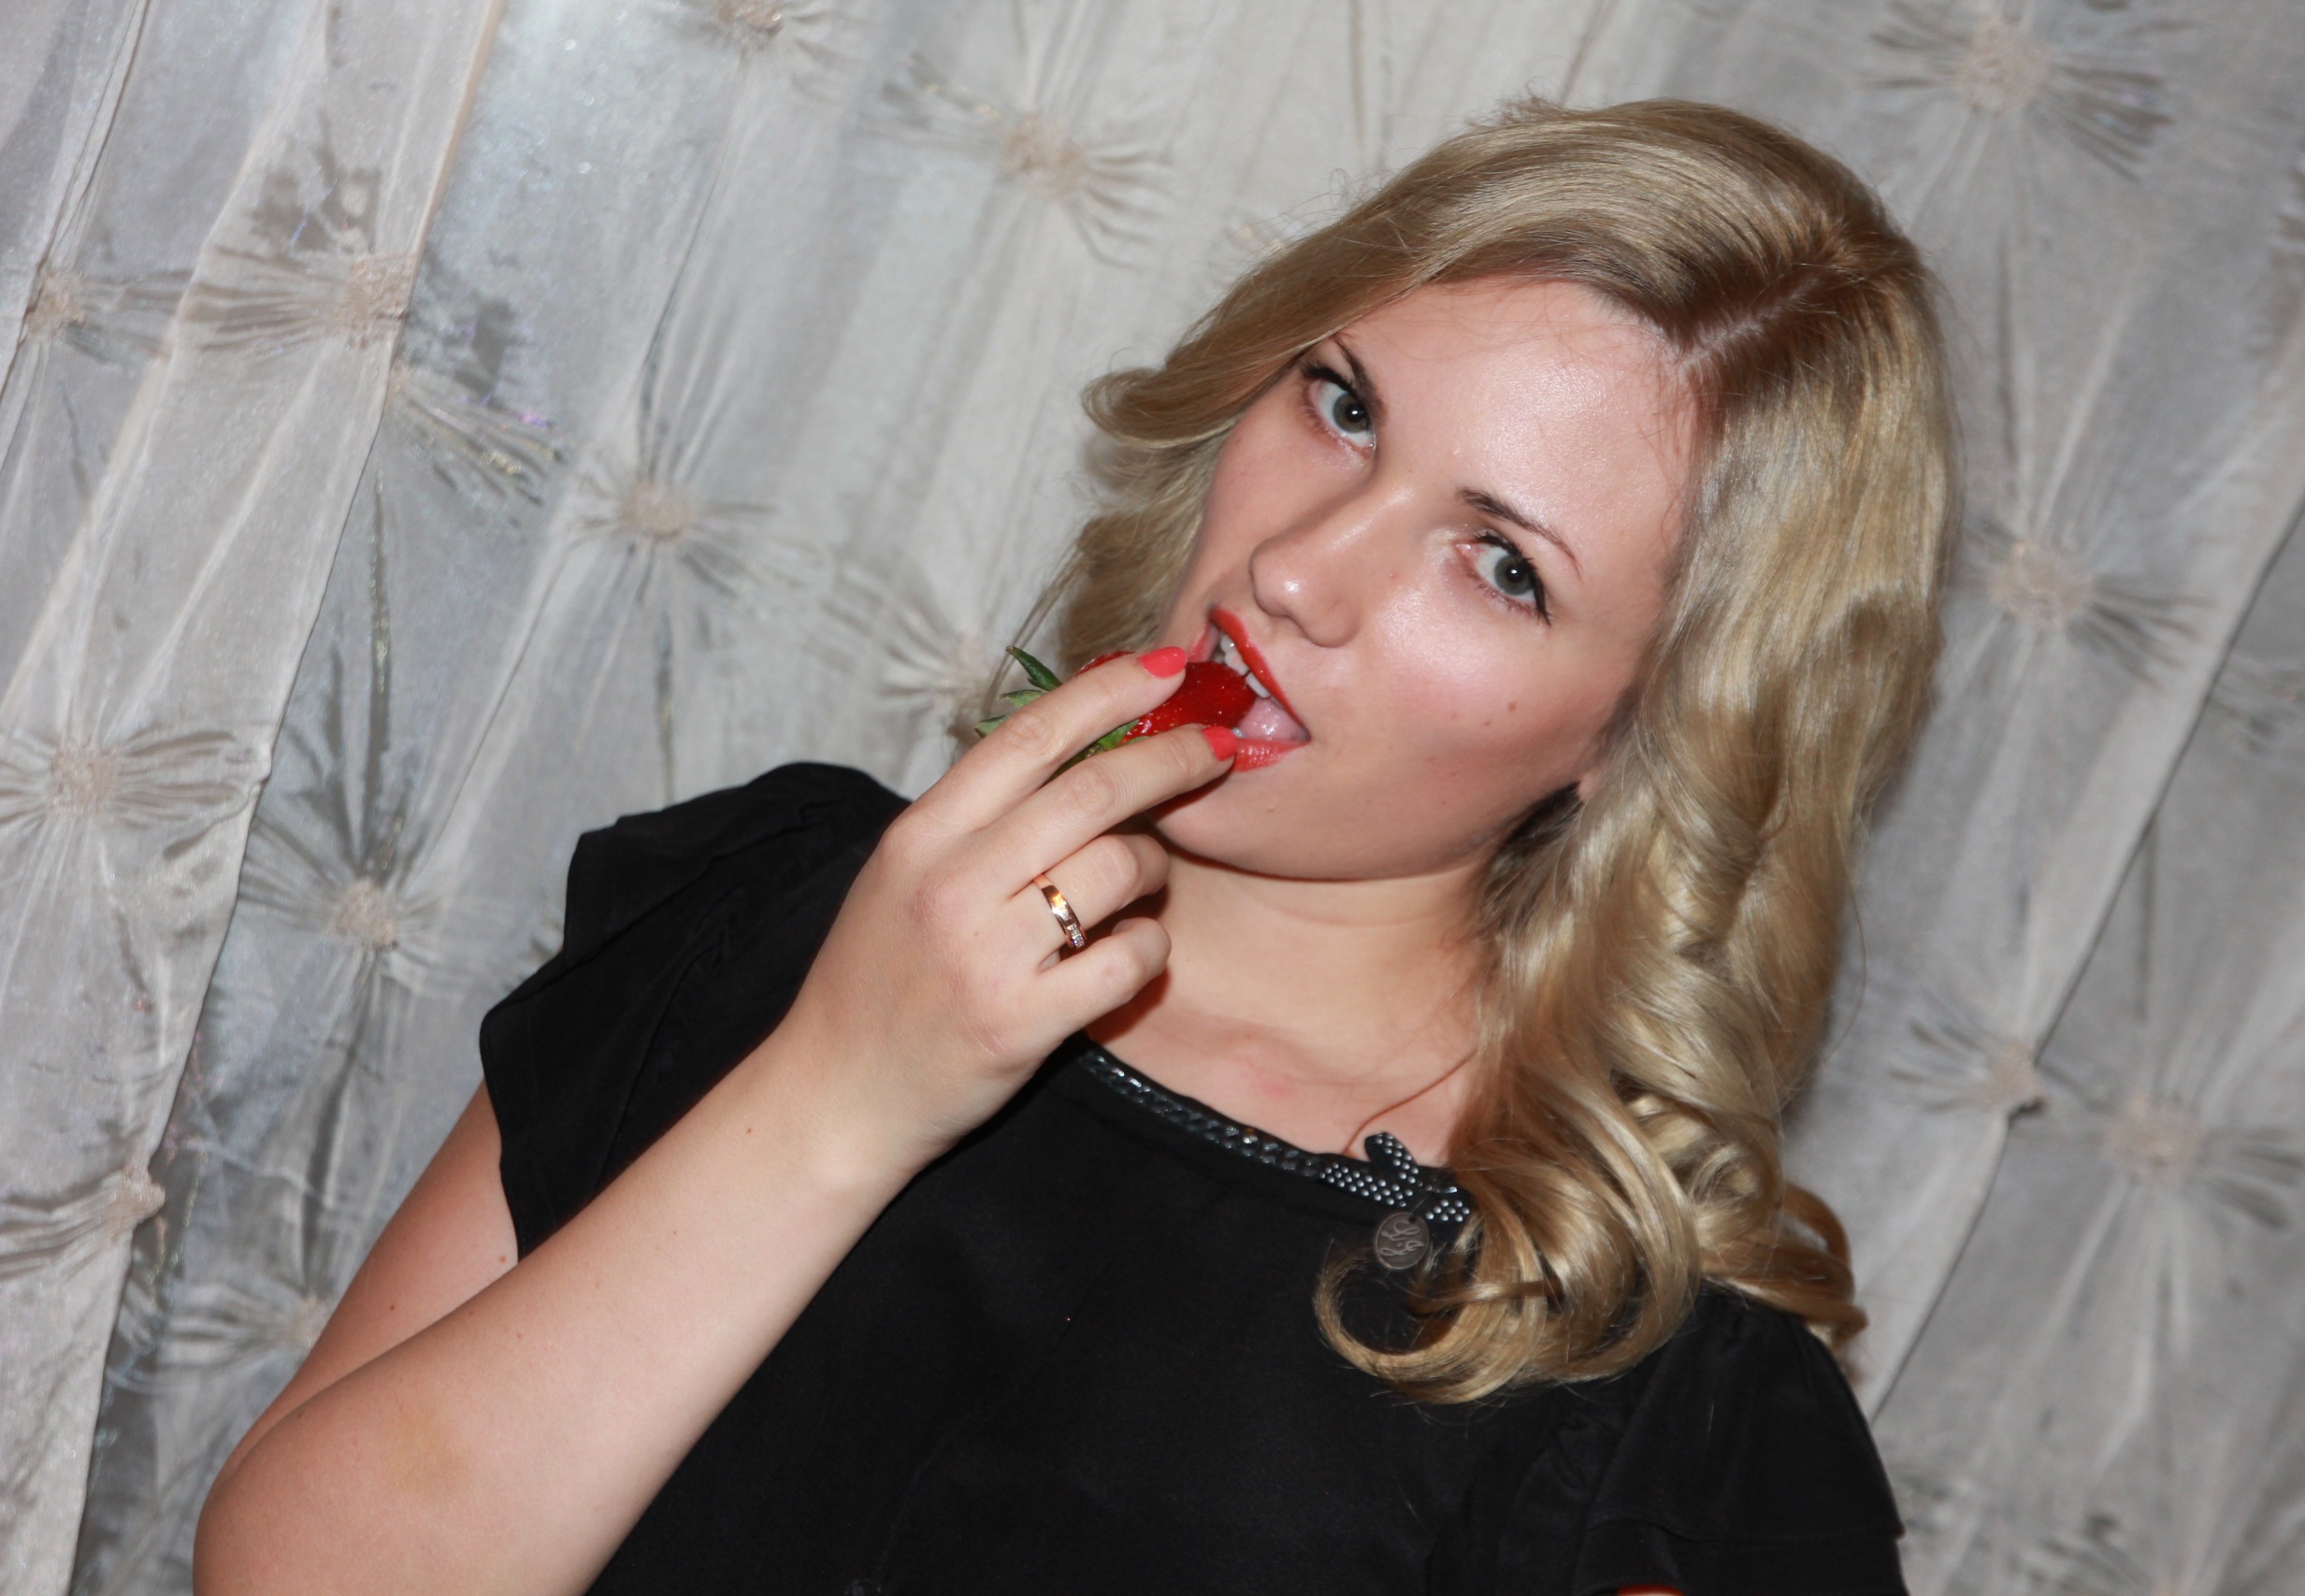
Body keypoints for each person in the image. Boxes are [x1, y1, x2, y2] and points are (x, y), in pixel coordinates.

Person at [194, 97, 1953, 1595]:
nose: (1296, 569)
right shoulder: (775, 900)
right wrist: (838, 1093)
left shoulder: (1649, 1398)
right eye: (1344, 405)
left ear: (1649, 736)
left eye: (1500, 567)